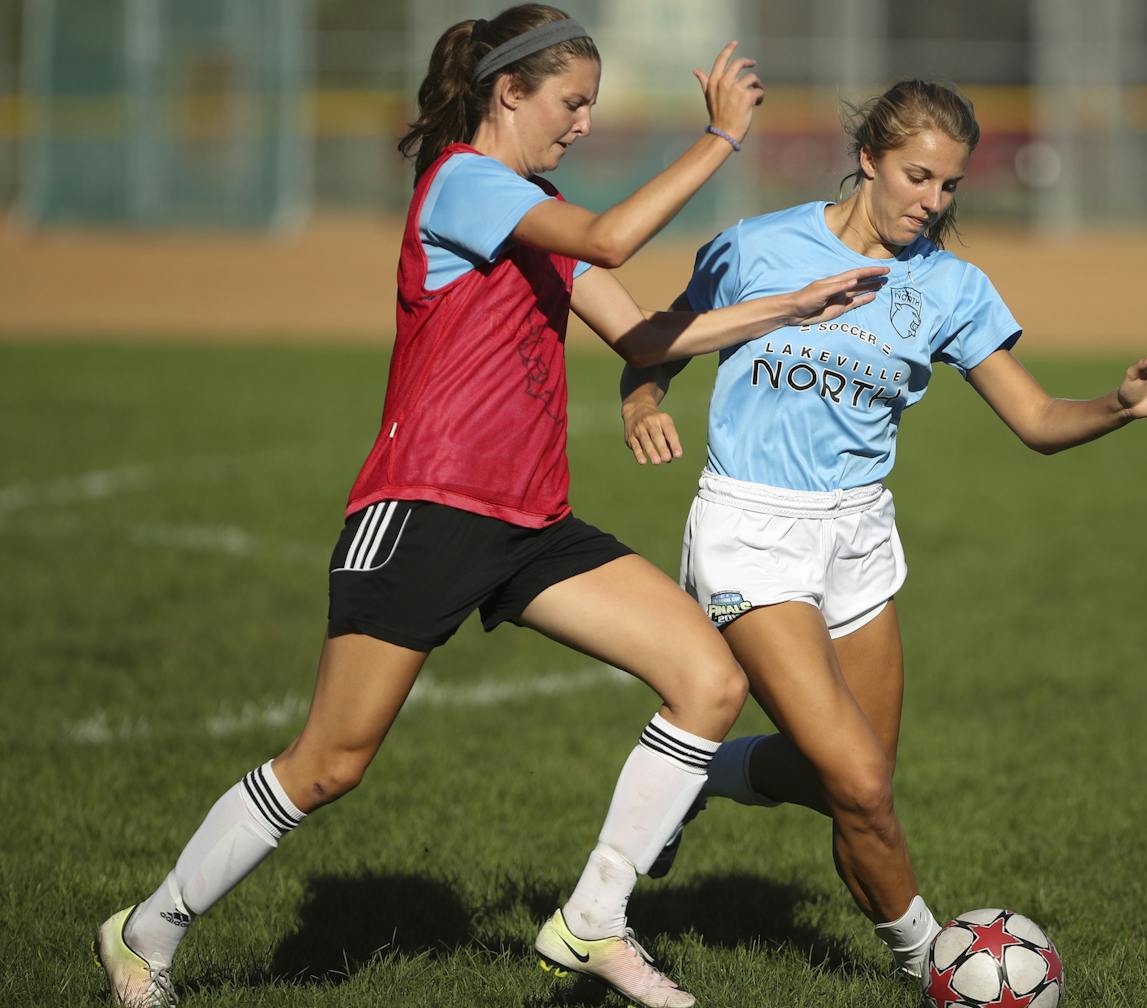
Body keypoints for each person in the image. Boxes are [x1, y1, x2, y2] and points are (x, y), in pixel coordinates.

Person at [93, 8, 889, 1008]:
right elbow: (607, 234)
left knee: (703, 676)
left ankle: (593, 920)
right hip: (424, 510)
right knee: (331, 762)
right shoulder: (465, 185)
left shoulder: (536, 205)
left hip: (529, 523)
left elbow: (641, 337)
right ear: (508, 92)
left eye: (592, 106)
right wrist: (721, 139)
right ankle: (144, 932)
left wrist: (789, 303)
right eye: (573, 102)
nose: (585, 123)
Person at [619, 78, 1147, 984]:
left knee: (851, 784)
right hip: (752, 529)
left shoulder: (952, 286)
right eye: (917, 177)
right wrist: (640, 398)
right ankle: (938, 967)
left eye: (950, 186)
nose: (933, 202)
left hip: (860, 538)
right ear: (868, 157)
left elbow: (1036, 421)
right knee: (860, 787)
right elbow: (656, 336)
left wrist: (1122, 405)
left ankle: (702, 776)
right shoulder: (757, 245)